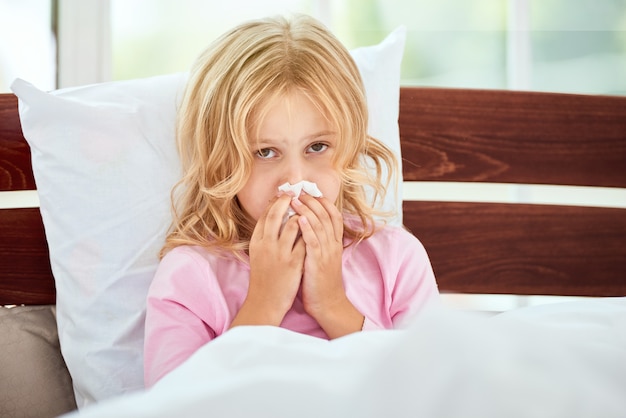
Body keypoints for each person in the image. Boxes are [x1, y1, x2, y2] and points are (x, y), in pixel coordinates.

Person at [143, 14, 439, 387]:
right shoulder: (191, 276)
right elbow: (173, 406)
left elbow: (427, 391)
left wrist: (332, 304)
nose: (296, 180)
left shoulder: (395, 261)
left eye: (317, 147)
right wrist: (264, 304)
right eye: (265, 152)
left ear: (348, 148)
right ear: (221, 161)